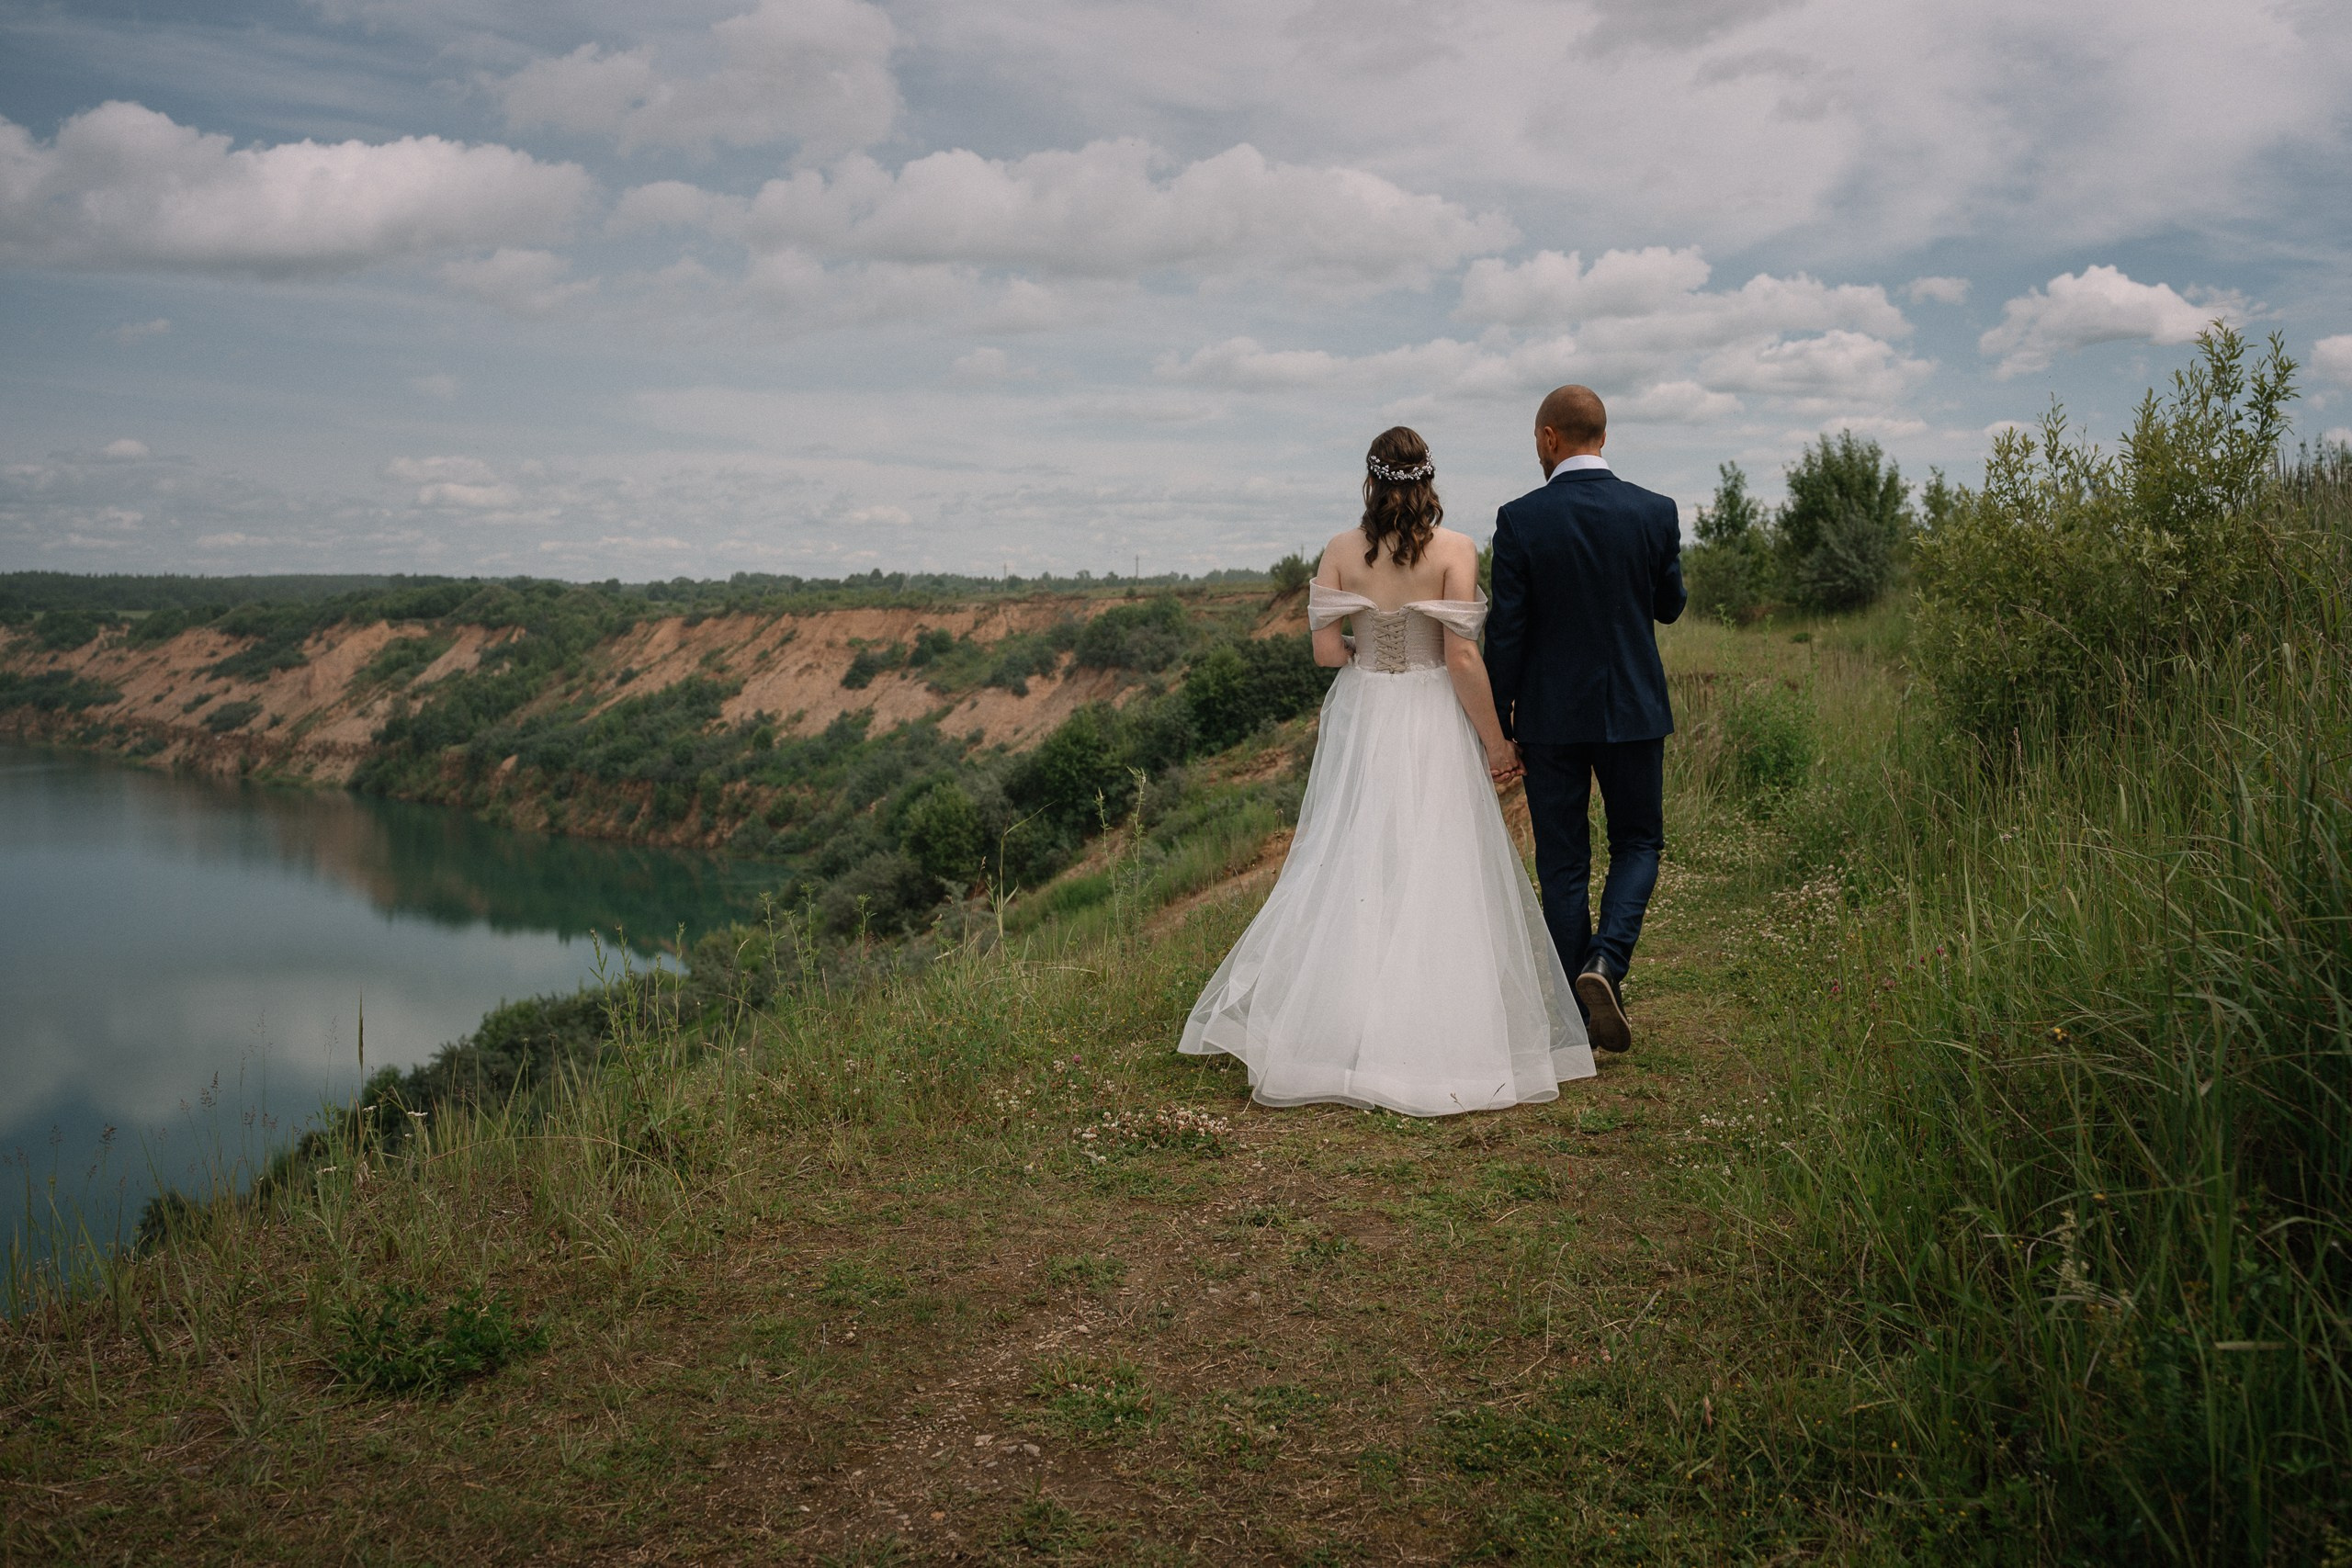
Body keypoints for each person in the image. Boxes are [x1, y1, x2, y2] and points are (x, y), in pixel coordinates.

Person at [1178, 426, 1593, 1116]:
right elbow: (1462, 658)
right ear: (1429, 480)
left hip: (1366, 709)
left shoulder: (1341, 551)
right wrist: (1497, 742)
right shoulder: (1457, 549)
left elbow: (1323, 653)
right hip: (1432, 710)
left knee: (1354, 853)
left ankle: (1340, 1026)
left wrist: (1367, 650)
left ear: (1371, 481)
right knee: (1439, 858)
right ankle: (1438, 1027)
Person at [1484, 385, 1687, 1055]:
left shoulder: (1519, 519)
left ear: (1549, 438)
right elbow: (1670, 605)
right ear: (1603, 434)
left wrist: (1501, 718)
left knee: (1564, 864)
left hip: (1549, 716)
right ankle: (1606, 962)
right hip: (1633, 707)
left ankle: (1578, 1014)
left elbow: (1506, 632)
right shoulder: (1654, 511)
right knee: (1638, 844)